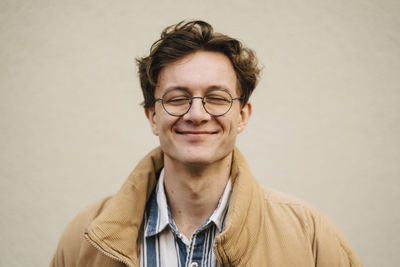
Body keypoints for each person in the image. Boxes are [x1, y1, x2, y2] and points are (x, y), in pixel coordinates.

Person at [50, 20, 362, 267]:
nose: (197, 114)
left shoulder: (310, 236)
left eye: (216, 98)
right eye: (177, 98)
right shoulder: (85, 238)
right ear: (152, 117)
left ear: (242, 115)